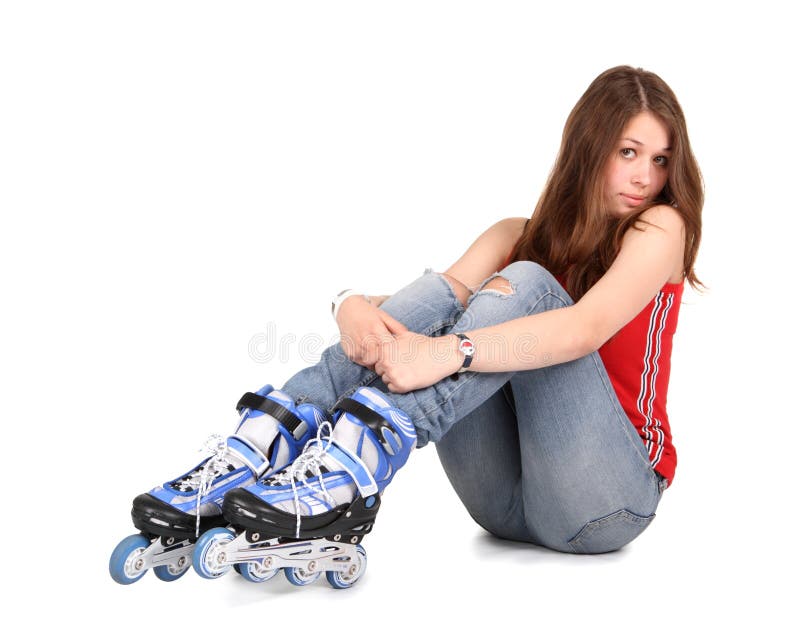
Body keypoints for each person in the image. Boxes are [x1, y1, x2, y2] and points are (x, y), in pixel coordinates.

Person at [110, 65, 703, 586]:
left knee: (526, 285)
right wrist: (350, 303)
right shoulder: (515, 233)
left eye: (659, 160)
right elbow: (428, 303)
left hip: (606, 500)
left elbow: (584, 329)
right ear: (589, 148)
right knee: (453, 294)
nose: (644, 177)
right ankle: (264, 440)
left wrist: (452, 353)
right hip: (500, 504)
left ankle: (357, 464)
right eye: (628, 152)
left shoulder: (660, 229)